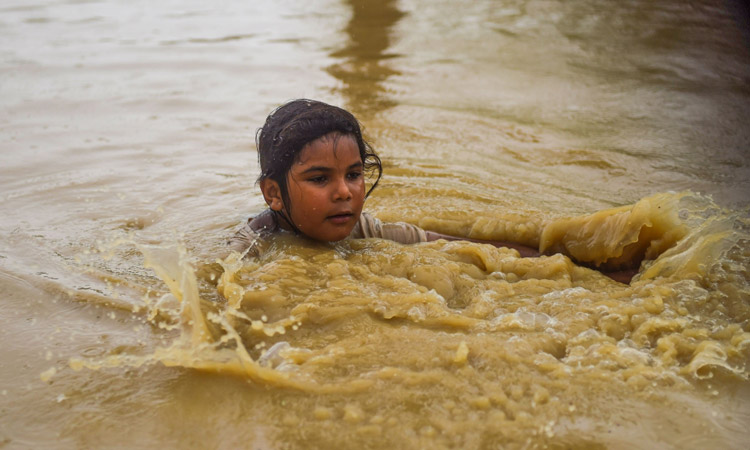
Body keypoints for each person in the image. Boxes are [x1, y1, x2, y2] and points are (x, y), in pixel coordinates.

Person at [228, 99, 540, 260]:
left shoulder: (366, 229)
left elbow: (459, 247)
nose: (344, 192)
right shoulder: (250, 247)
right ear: (273, 193)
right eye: (320, 179)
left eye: (353, 174)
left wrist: (550, 257)